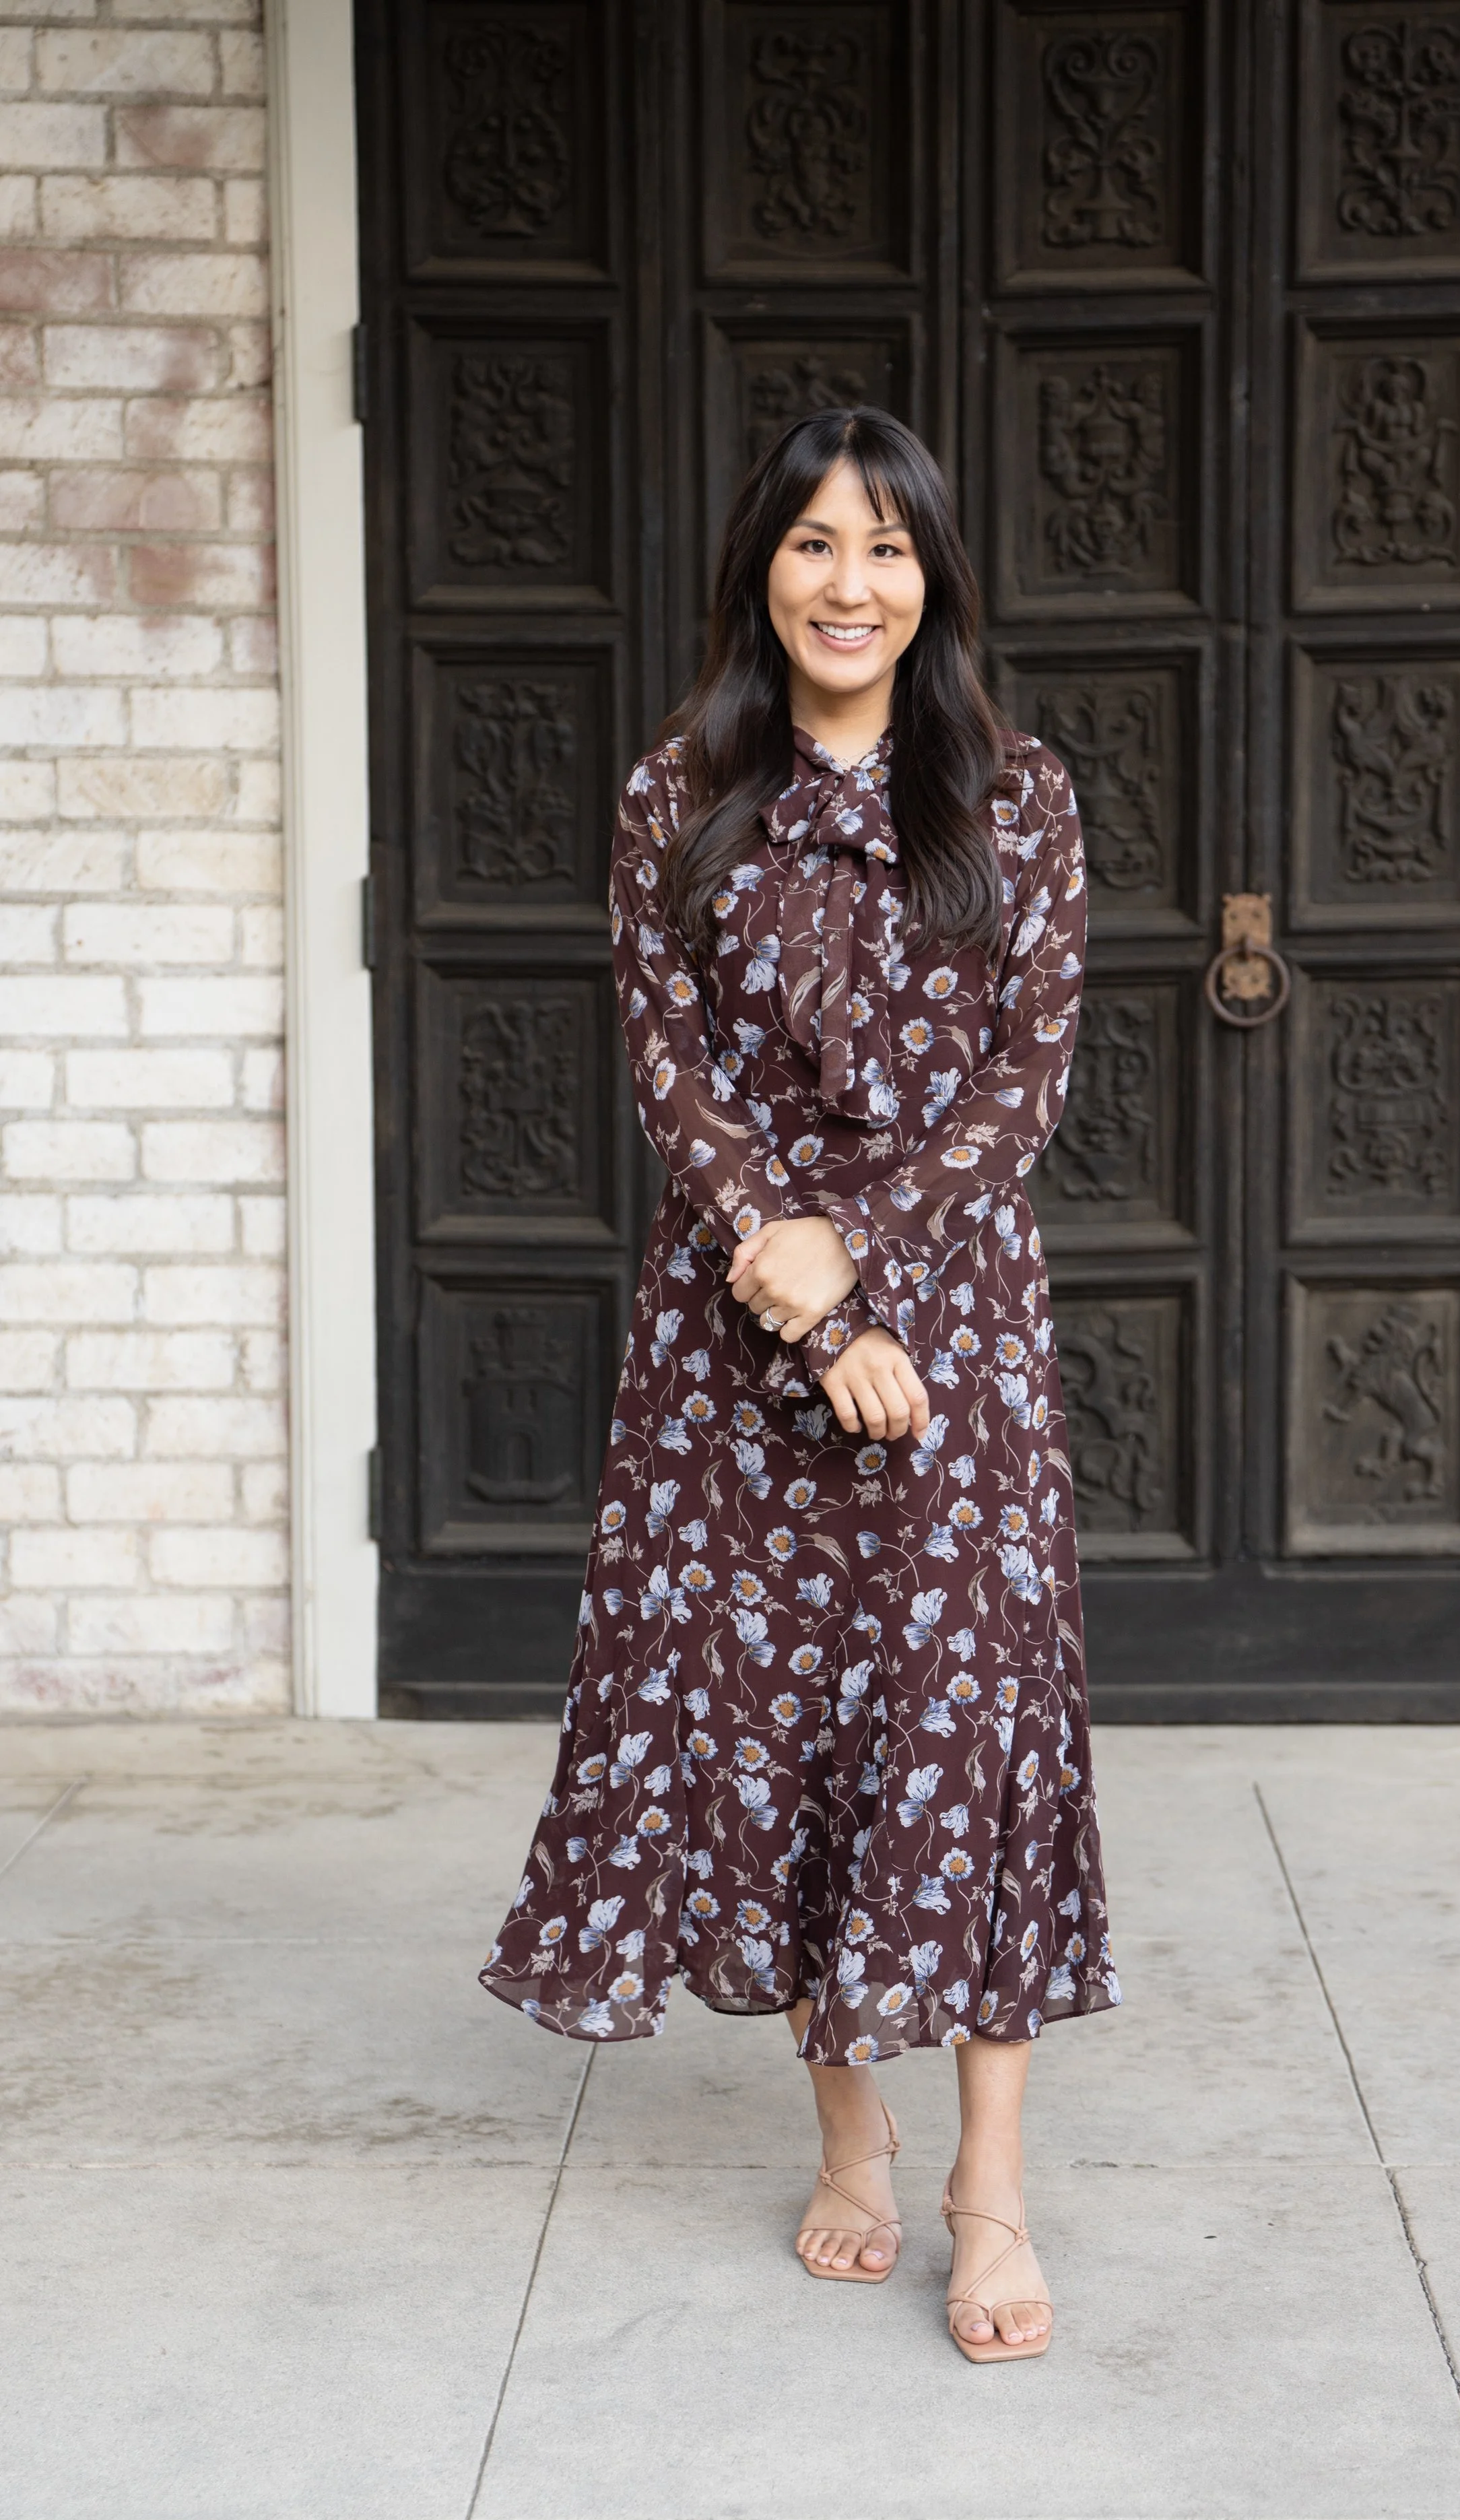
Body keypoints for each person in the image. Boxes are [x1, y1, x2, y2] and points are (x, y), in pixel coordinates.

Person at [481, 407, 1119, 2362]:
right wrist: (806, 1302)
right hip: (736, 1344)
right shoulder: (678, 789)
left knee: (970, 1721)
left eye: (890, 550)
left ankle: (985, 2187)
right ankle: (847, 2140)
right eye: (818, 545)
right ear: (762, 563)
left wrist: (871, 1265)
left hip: (957, 1333)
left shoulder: (1018, 796)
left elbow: (1025, 1077)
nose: (853, 584)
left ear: (935, 580)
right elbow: (672, 1075)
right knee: (788, 1737)